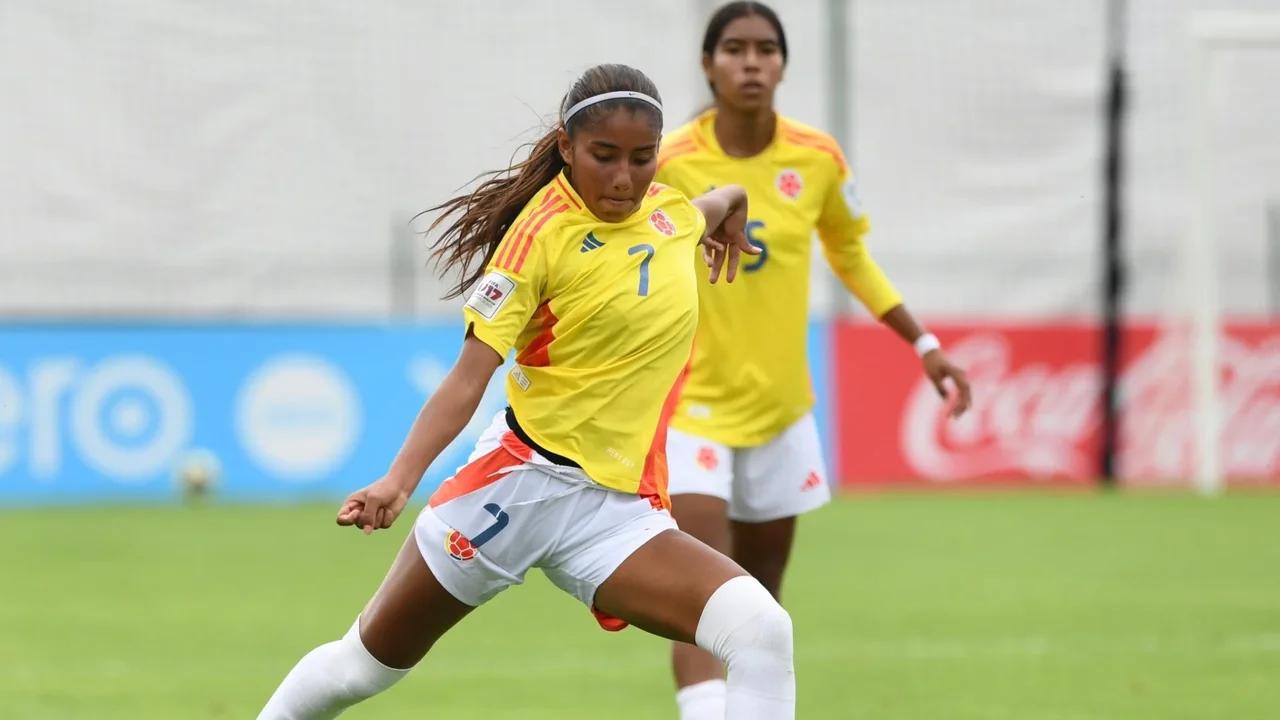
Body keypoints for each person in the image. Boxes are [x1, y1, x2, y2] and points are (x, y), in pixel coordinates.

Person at [256, 63, 799, 720]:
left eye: (642, 158)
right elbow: (467, 378)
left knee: (762, 632)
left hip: (611, 515)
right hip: (514, 491)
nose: (625, 177)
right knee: (361, 668)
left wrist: (733, 207)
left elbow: (715, 202)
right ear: (567, 148)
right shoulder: (537, 239)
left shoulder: (671, 215)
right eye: (604, 157)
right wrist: (399, 481)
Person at [655, 4, 974, 718]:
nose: (751, 63)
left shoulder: (817, 158)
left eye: (766, 50)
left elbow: (852, 255)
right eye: (733, 49)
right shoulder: (671, 163)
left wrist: (924, 344)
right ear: (708, 65)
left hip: (780, 408)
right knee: (705, 589)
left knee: (762, 598)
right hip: (690, 408)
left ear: (783, 65)